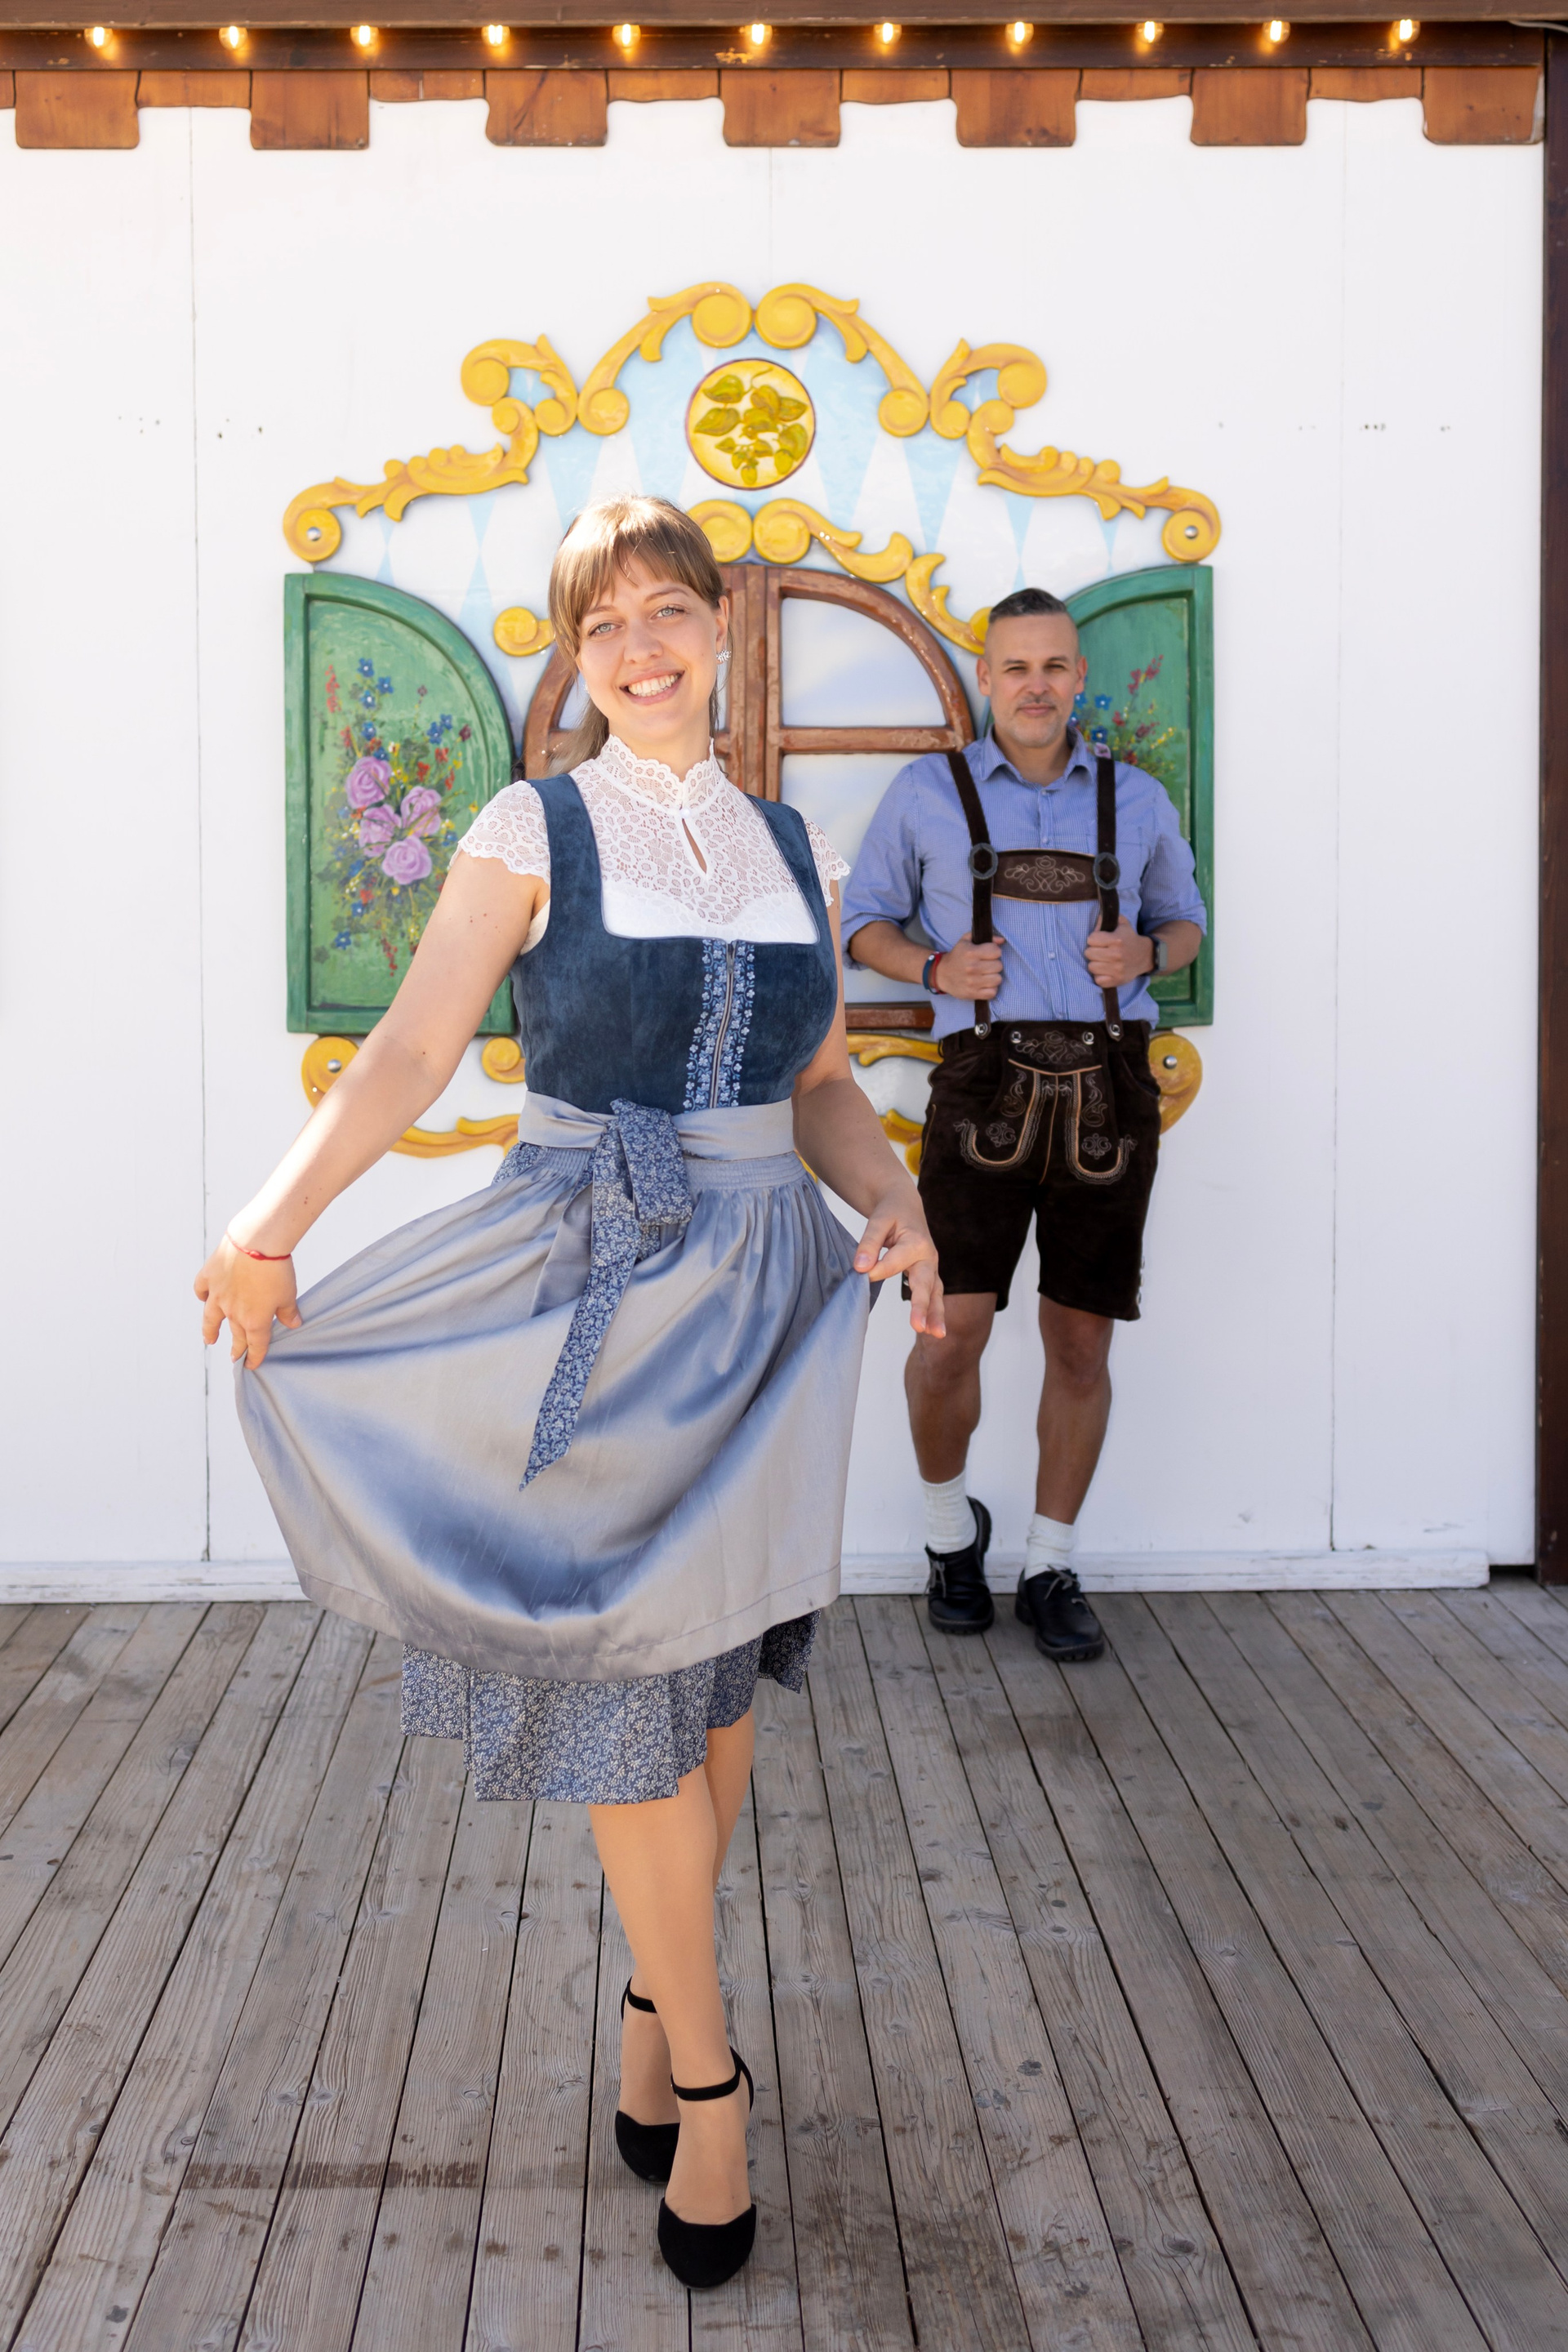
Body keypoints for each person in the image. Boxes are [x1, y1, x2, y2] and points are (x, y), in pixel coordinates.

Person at [194, 496, 941, 2293]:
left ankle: (646, 2015)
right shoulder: (534, 824)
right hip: (592, 1289)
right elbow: (412, 1046)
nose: (639, 649)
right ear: (576, 654)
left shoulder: (786, 838)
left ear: (719, 630)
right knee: (627, 1686)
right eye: (603, 625)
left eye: (667, 611)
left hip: (763, 1294)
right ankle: (714, 2084)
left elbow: (823, 1089)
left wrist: (897, 1195)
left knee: (721, 1682)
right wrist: (268, 1225)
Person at [841, 585, 1205, 1663]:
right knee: (947, 1331)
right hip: (980, 1089)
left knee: (1080, 1340)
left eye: (1053, 667)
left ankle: (1051, 1563)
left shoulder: (1137, 799)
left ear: (1077, 677)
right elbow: (860, 924)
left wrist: (1150, 953)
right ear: (986, 677)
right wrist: (934, 968)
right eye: (1015, 667)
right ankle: (950, 1537)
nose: (1035, 686)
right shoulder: (927, 793)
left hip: (1111, 1093)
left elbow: (1186, 923)